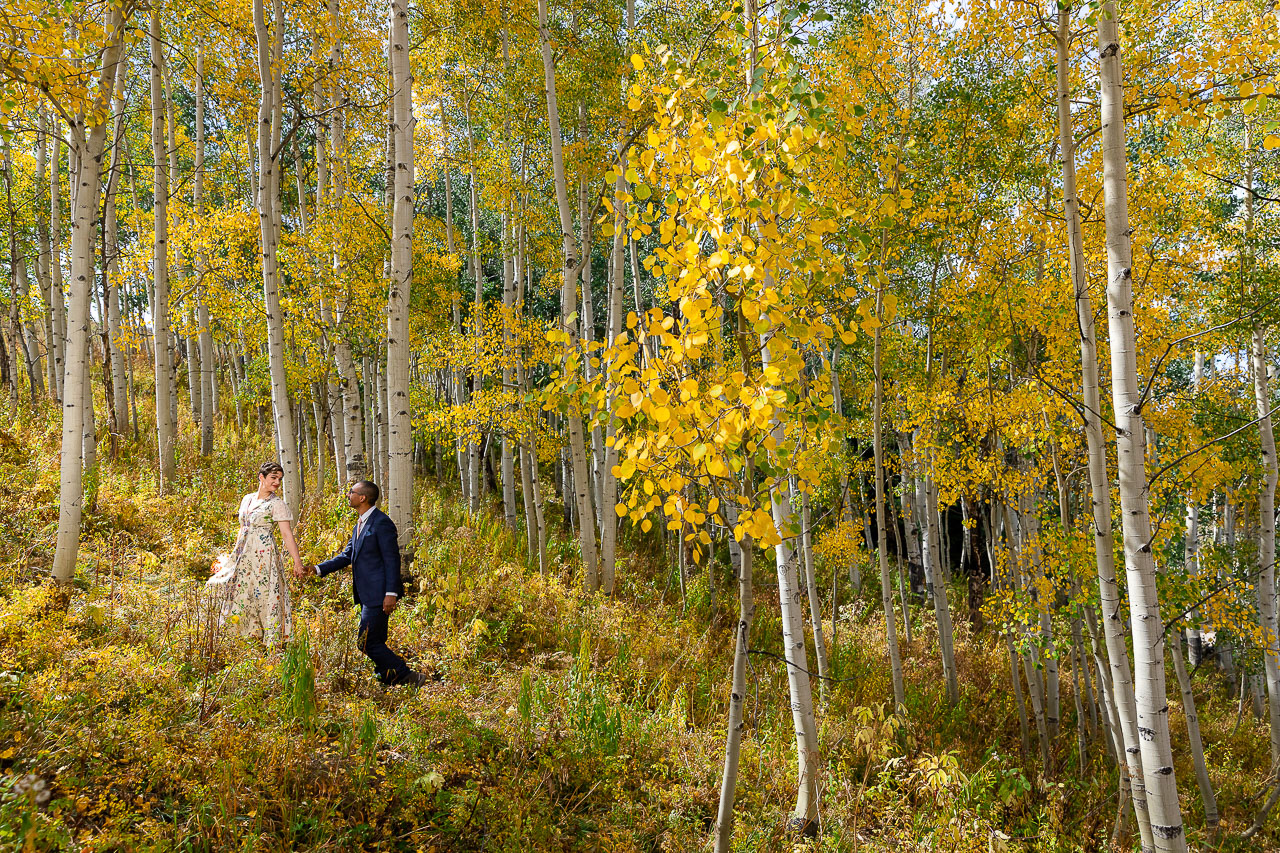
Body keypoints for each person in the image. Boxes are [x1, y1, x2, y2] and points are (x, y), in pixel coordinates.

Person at [299, 480, 425, 688]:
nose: (348, 495)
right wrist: (317, 569)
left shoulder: (381, 523)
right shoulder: (360, 523)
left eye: (352, 492)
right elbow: (347, 555)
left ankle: (407, 676)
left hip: (379, 594)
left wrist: (391, 593)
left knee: (366, 642)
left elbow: (392, 560)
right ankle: (388, 678)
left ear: (363, 497)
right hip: (368, 594)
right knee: (376, 639)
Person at [206, 461, 300, 647]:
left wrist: (297, 562)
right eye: (273, 478)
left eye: (279, 479)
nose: (276, 483)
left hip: (264, 554)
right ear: (261, 477)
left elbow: (287, 535)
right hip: (243, 552)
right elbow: (242, 529)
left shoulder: (276, 504)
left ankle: (270, 641)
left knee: (264, 593)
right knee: (234, 588)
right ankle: (241, 635)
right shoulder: (247, 499)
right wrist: (234, 554)